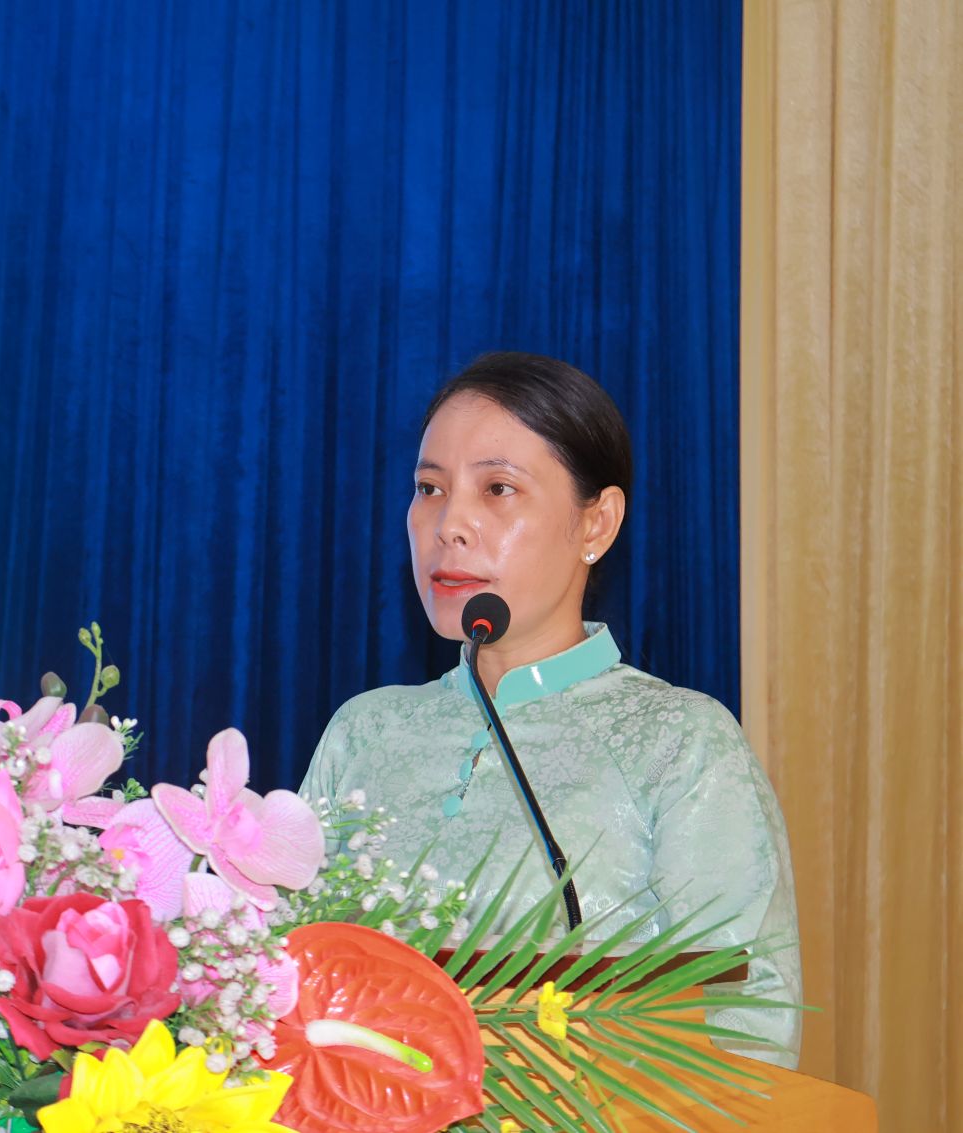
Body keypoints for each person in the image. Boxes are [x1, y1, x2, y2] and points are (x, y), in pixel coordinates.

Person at [298, 352, 801, 1068]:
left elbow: (749, 1031)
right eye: (430, 488)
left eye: (498, 488)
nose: (450, 524)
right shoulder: (365, 730)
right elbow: (277, 980)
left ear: (596, 524)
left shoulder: (680, 741)